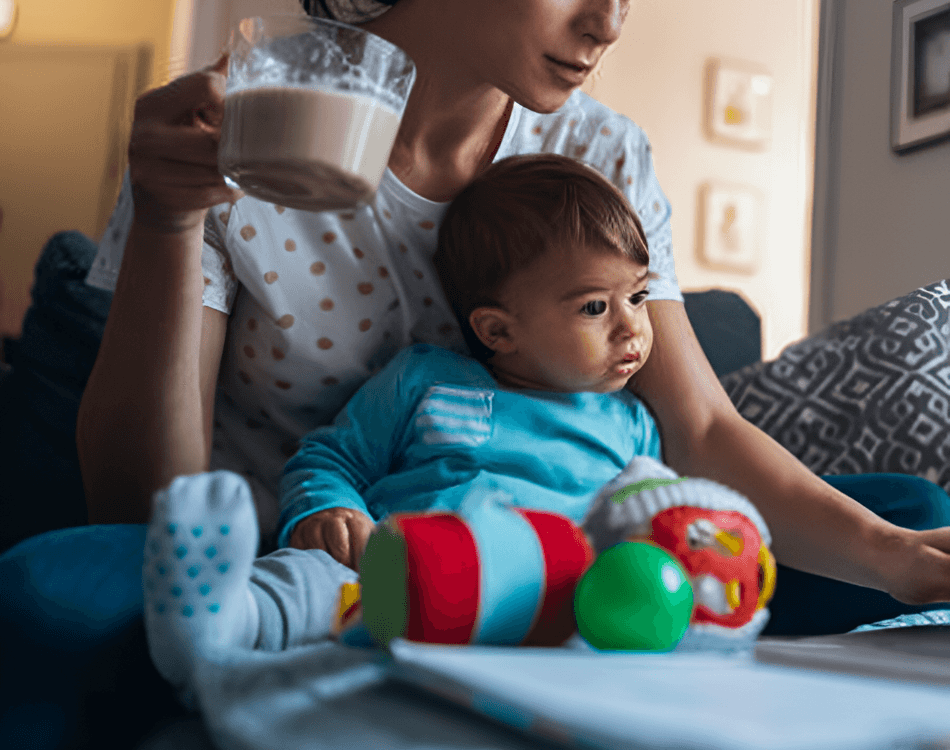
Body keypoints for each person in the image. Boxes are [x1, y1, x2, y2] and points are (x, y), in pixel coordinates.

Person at [6, 0, 950, 750]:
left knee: (899, 516)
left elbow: (698, 429)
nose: (606, 21)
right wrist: (173, 224)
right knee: (56, 588)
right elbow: (140, 500)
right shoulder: (245, 112)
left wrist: (890, 556)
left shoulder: (601, 152)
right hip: (306, 565)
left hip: (549, 554)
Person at [143, 153, 669, 692]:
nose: (631, 327)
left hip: (534, 604)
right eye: (594, 308)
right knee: (314, 580)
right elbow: (331, 457)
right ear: (497, 330)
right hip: (388, 580)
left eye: (638, 296)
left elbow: (653, 517)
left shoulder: (630, 427)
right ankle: (220, 626)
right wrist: (330, 507)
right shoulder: (427, 380)